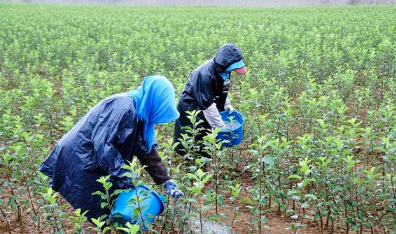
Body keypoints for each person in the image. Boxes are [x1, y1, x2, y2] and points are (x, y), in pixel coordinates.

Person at [40, 76, 183, 221]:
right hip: (81, 156)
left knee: (103, 207)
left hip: (96, 159)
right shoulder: (124, 106)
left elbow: (147, 152)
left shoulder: (143, 115)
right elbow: (103, 146)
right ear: (154, 100)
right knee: (94, 210)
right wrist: (126, 177)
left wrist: (165, 180)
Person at [174, 43, 247, 156]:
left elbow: (221, 88)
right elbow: (207, 106)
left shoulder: (224, 70)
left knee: (208, 133)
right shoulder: (205, 75)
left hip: (205, 102)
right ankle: (195, 165)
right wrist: (222, 128)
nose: (233, 71)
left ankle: (207, 159)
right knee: (196, 135)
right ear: (224, 63)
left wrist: (227, 103)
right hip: (192, 107)